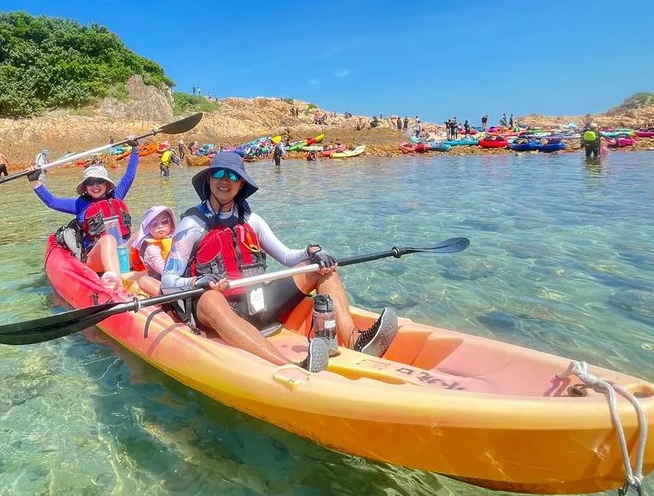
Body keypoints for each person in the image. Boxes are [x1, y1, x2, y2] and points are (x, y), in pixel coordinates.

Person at [159, 152, 397, 373]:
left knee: (321, 270)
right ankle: (290, 366)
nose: (225, 180)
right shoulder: (192, 224)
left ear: (241, 183)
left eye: (233, 175)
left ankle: (356, 340)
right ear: (209, 178)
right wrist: (197, 281)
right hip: (217, 310)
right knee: (210, 298)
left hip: (257, 304)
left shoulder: (252, 221)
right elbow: (168, 282)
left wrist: (312, 251)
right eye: (219, 173)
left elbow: (286, 256)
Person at [28, 142, 140, 276]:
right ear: (85, 187)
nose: (95, 186)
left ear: (106, 183)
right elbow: (52, 202)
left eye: (99, 181)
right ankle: (116, 281)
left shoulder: (117, 195)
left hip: (122, 251)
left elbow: (129, 176)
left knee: (142, 232)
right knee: (108, 239)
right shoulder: (79, 204)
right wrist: (34, 181)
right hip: (95, 257)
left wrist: (135, 149)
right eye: (90, 183)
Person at [127, 205, 175, 296]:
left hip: (179, 277)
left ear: (172, 224)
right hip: (161, 281)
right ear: (149, 229)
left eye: (165, 222)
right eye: (154, 224)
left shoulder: (177, 240)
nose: (160, 226)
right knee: (144, 280)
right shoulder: (151, 247)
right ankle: (169, 300)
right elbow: (160, 266)